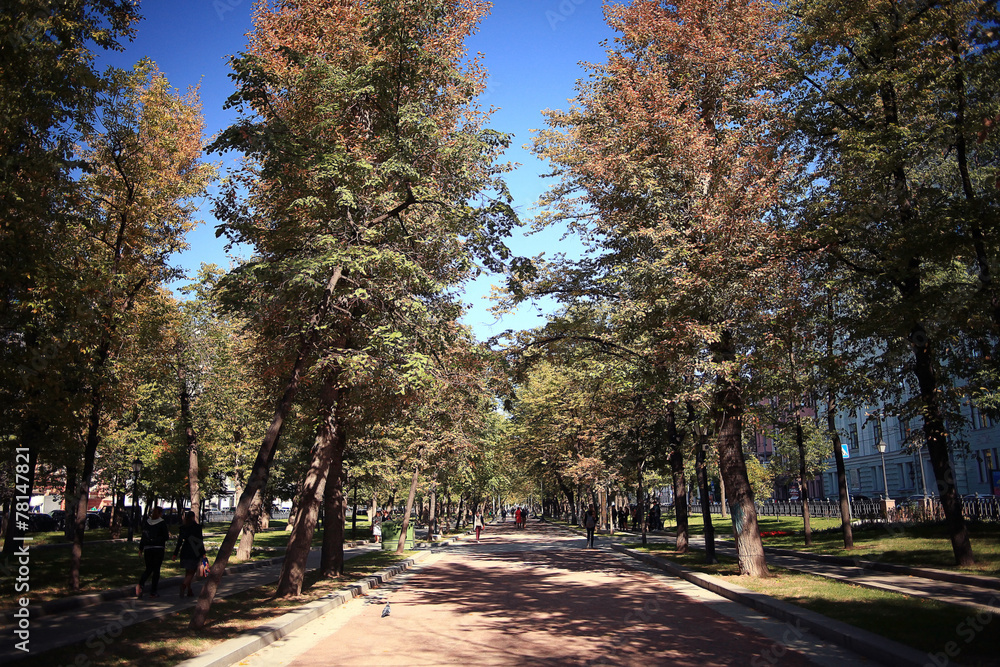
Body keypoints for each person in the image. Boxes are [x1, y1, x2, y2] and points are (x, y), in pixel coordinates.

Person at [136, 506, 169, 599]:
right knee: (156, 570)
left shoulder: (147, 522)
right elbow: (166, 537)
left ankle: (141, 584)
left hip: (148, 548)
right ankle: (153, 591)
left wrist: (141, 548)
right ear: (159, 513)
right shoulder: (161, 523)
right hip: (158, 548)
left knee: (149, 568)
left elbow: (143, 536)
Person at [173, 510, 206, 597]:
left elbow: (179, 541)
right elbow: (200, 541)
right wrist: (203, 552)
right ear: (193, 517)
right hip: (194, 551)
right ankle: (184, 586)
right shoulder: (197, 527)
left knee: (188, 572)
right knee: (192, 572)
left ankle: (189, 590)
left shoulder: (183, 528)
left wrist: (175, 553)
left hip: (185, 550)